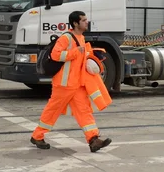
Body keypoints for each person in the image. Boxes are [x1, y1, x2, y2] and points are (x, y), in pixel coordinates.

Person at [30, 11, 112, 152]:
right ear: (75, 23)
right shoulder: (66, 38)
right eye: (84, 20)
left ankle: (93, 140)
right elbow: (55, 55)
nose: (87, 22)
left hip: (76, 84)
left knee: (84, 110)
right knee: (52, 111)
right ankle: (37, 136)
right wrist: (75, 52)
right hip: (64, 84)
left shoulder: (80, 37)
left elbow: (79, 60)